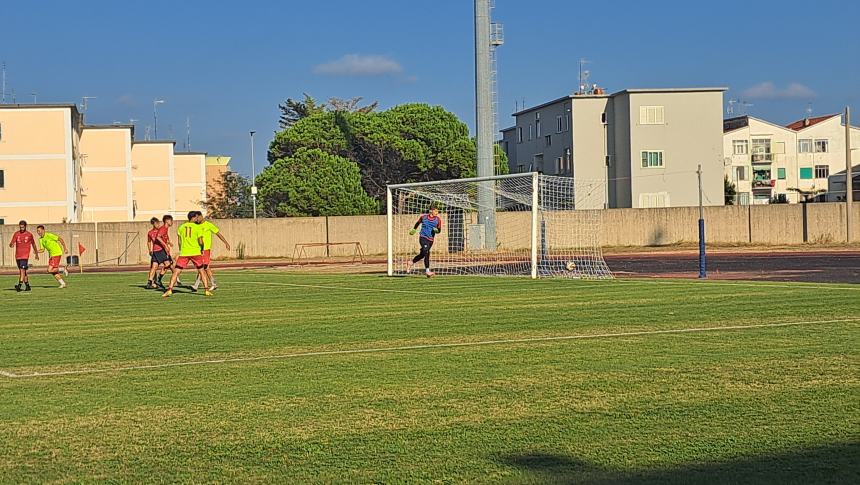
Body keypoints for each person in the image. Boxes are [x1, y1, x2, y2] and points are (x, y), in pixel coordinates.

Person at [162, 211, 211, 297]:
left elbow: (179, 241)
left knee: (176, 272)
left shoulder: (181, 227)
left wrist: (181, 250)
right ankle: (206, 290)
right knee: (201, 271)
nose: (197, 219)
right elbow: (200, 241)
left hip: (184, 253)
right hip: (195, 252)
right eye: (196, 217)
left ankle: (169, 289)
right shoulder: (197, 227)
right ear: (194, 217)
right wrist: (202, 248)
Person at [192, 213, 230, 291]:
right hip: (197, 249)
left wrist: (226, 243)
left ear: (201, 216)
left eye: (197, 217)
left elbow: (218, 234)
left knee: (203, 267)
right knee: (204, 267)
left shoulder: (208, 225)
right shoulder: (195, 226)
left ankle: (197, 284)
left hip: (205, 249)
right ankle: (212, 283)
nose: (196, 219)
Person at [407, 206, 443, 278]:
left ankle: (411, 262)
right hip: (423, 237)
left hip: (431, 240)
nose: (437, 213)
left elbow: (439, 230)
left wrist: (437, 231)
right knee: (426, 252)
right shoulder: (423, 217)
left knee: (423, 254)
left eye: (437, 211)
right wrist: (414, 229)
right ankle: (427, 271)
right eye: (435, 211)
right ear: (431, 211)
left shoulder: (438, 220)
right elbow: (417, 223)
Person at [9, 220, 39, 292]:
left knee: (22, 270)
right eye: (20, 227)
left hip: (25, 256)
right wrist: (11, 245)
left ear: (25, 226)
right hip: (17, 256)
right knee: (23, 271)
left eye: (23, 227)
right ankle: (27, 286)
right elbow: (11, 243)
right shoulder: (16, 234)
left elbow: (33, 244)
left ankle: (19, 285)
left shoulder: (29, 235)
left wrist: (36, 254)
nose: (21, 228)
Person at [145, 217, 171, 289]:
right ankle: (156, 281)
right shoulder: (150, 233)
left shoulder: (161, 230)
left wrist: (168, 243)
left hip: (162, 250)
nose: (158, 224)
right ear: (153, 224)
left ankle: (152, 282)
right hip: (158, 251)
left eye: (158, 223)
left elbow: (166, 239)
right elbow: (149, 242)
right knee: (166, 264)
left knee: (157, 266)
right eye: (156, 223)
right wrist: (150, 250)